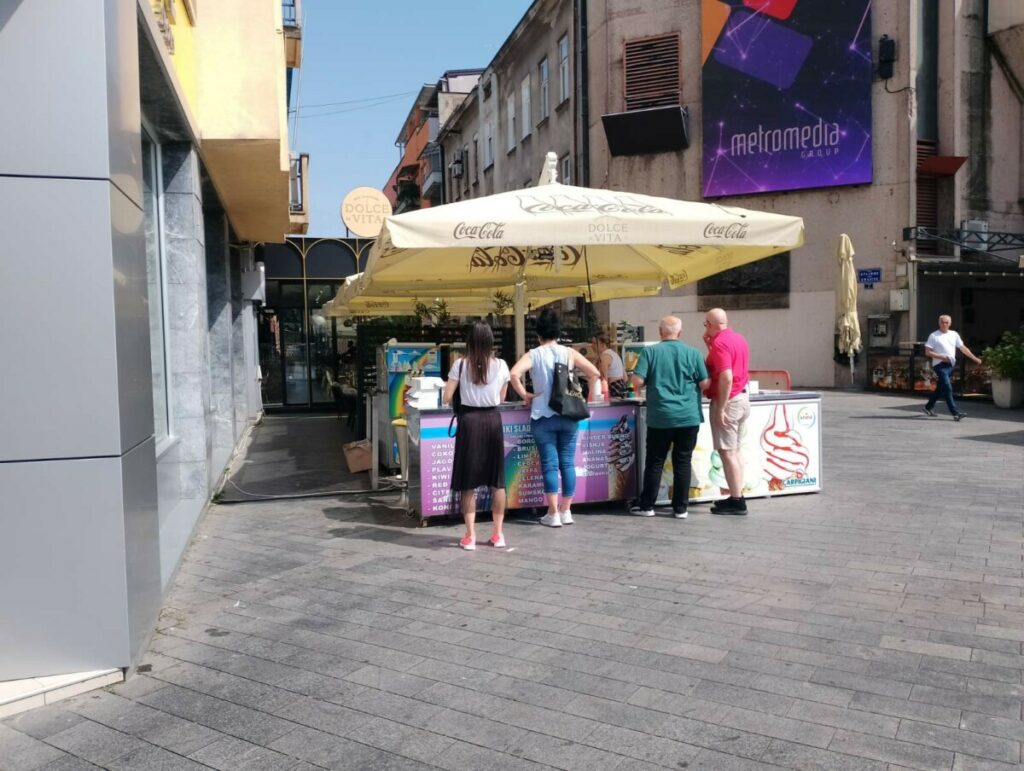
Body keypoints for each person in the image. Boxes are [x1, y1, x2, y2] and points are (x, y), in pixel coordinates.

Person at [510, 309, 601, 527]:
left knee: (550, 465)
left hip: (543, 415)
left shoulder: (533, 354)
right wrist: (587, 397)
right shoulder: (569, 353)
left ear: (539, 333)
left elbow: (513, 374)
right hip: (569, 414)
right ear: (558, 332)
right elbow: (594, 373)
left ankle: (552, 513)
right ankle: (567, 511)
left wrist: (525, 395)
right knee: (567, 463)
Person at [630, 316, 709, 519]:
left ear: (660, 332)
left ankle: (647, 506)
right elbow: (704, 383)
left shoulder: (650, 352)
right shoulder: (694, 353)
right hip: (688, 416)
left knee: (655, 461)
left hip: (660, 417)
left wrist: (645, 385)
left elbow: (637, 380)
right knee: (683, 461)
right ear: (680, 333)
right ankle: (680, 508)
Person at [442, 321, 510, 550]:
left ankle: (470, 536)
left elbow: (447, 397)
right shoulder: (501, 365)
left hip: (469, 422)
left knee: (467, 481)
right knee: (497, 480)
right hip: (492, 421)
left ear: (469, 341)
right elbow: (501, 398)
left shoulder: (460, 365)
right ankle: (498, 534)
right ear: (491, 341)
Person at [703, 308, 751, 515]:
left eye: (706, 324)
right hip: (742, 398)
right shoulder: (738, 339)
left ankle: (737, 500)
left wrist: (720, 408)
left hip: (729, 401)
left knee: (727, 452)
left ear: (710, 324)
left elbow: (726, 376)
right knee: (736, 450)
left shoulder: (721, 343)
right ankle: (737, 494)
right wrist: (709, 347)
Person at [923, 314, 982, 420]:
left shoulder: (954, 334)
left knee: (940, 389)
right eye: (942, 322)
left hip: (950, 365)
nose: (944, 324)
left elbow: (963, 348)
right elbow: (927, 352)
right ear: (939, 323)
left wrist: (975, 358)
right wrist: (941, 356)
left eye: (946, 322)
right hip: (939, 366)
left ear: (950, 323)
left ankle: (928, 407)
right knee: (948, 388)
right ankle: (955, 413)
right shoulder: (934, 336)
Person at [591, 331, 628, 399]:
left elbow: (604, 379)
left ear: (602, 344)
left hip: (613, 390)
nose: (591, 346)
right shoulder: (615, 354)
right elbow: (625, 378)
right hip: (622, 389)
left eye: (594, 343)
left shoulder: (604, 357)